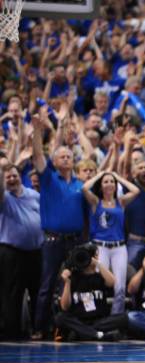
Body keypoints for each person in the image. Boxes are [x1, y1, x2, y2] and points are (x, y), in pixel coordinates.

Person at [31, 116, 87, 340]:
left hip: (74, 241)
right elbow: (37, 155)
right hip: (53, 240)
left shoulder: (80, 184)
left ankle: (70, 327)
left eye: (69, 156)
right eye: (61, 156)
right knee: (47, 285)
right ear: (54, 162)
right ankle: (38, 328)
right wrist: (37, 132)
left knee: (74, 284)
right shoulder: (49, 179)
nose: (66, 158)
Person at [82, 171, 140, 314]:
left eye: (112, 182)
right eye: (106, 182)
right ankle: (97, 316)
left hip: (119, 247)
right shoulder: (96, 202)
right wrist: (101, 174)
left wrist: (117, 176)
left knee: (119, 287)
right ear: (100, 186)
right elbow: (84, 188)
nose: (109, 184)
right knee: (98, 283)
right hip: (100, 247)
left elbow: (136, 190)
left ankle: (116, 318)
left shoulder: (121, 202)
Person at [0, 165, 44, 340]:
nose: (12, 179)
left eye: (14, 176)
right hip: (12, 252)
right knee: (12, 295)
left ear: (21, 177)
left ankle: (39, 329)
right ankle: (11, 332)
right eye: (8, 177)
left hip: (36, 251)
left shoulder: (34, 196)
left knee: (38, 292)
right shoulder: (4, 198)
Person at [55, 244, 127, 341]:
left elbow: (112, 282)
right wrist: (67, 283)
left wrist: (98, 263)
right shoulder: (73, 277)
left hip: (99, 321)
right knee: (60, 318)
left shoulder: (100, 276)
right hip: (79, 320)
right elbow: (64, 307)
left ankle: (84, 333)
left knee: (123, 318)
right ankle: (98, 335)